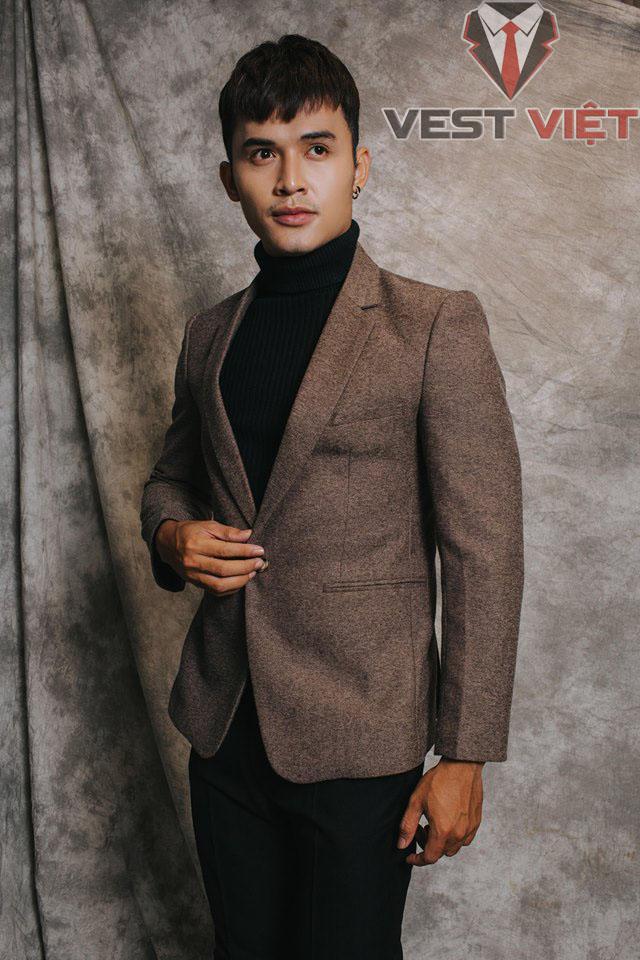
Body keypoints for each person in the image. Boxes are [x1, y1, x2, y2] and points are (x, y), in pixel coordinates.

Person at [140, 33, 524, 960]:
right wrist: (171, 534)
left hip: (363, 735)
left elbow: (485, 549)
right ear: (229, 178)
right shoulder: (208, 335)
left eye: (317, 148)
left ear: (360, 166)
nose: (290, 179)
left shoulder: (434, 325)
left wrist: (465, 753)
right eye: (261, 153)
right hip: (222, 725)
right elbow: (170, 477)